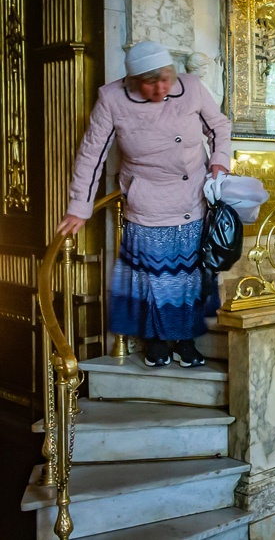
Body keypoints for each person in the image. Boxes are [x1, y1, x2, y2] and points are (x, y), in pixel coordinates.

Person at [58, 41, 232, 368]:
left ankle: (186, 342)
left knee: (190, 277)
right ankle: (155, 342)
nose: (160, 88)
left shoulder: (192, 87)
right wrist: (79, 206)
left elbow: (219, 127)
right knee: (153, 280)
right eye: (150, 83)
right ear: (133, 80)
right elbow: (91, 155)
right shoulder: (112, 99)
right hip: (147, 200)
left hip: (191, 196)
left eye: (165, 79)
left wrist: (219, 161)